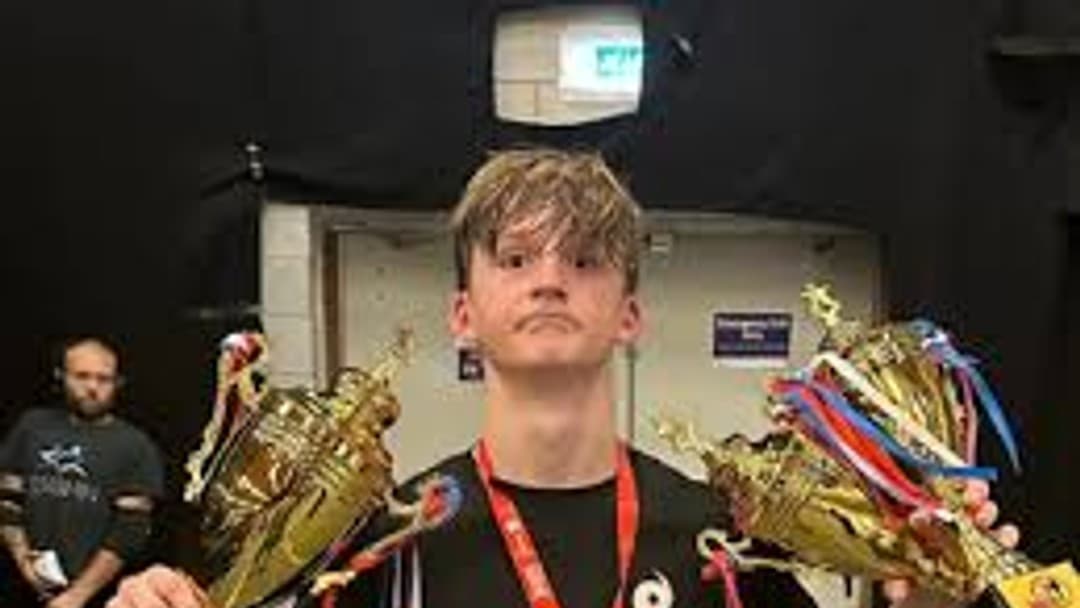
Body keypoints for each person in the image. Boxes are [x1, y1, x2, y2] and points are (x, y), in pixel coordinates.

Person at [104, 149, 1016, 608]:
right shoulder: (382, 549)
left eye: (583, 260)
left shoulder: (725, 544)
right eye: (514, 258)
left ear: (629, 314)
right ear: (465, 313)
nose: (548, 279)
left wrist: (931, 591)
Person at [1, 337, 164, 608]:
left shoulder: (136, 445)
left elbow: (130, 532)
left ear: (118, 383)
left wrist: (76, 597)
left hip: (99, 598)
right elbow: (7, 501)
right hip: (20, 585)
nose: (92, 387)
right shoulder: (31, 426)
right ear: (60, 376)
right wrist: (22, 558)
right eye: (82, 376)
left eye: (104, 379)